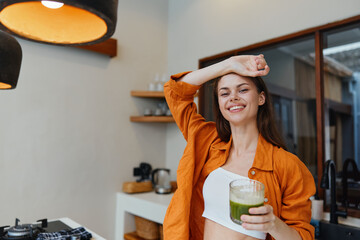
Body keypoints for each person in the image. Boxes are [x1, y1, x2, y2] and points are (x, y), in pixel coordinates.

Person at [163, 54, 316, 240]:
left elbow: (302, 237)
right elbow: (176, 92)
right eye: (224, 93)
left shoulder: (288, 165)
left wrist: (273, 224)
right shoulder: (207, 142)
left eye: (242, 90)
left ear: (261, 98)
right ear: (219, 104)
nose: (233, 98)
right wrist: (228, 65)